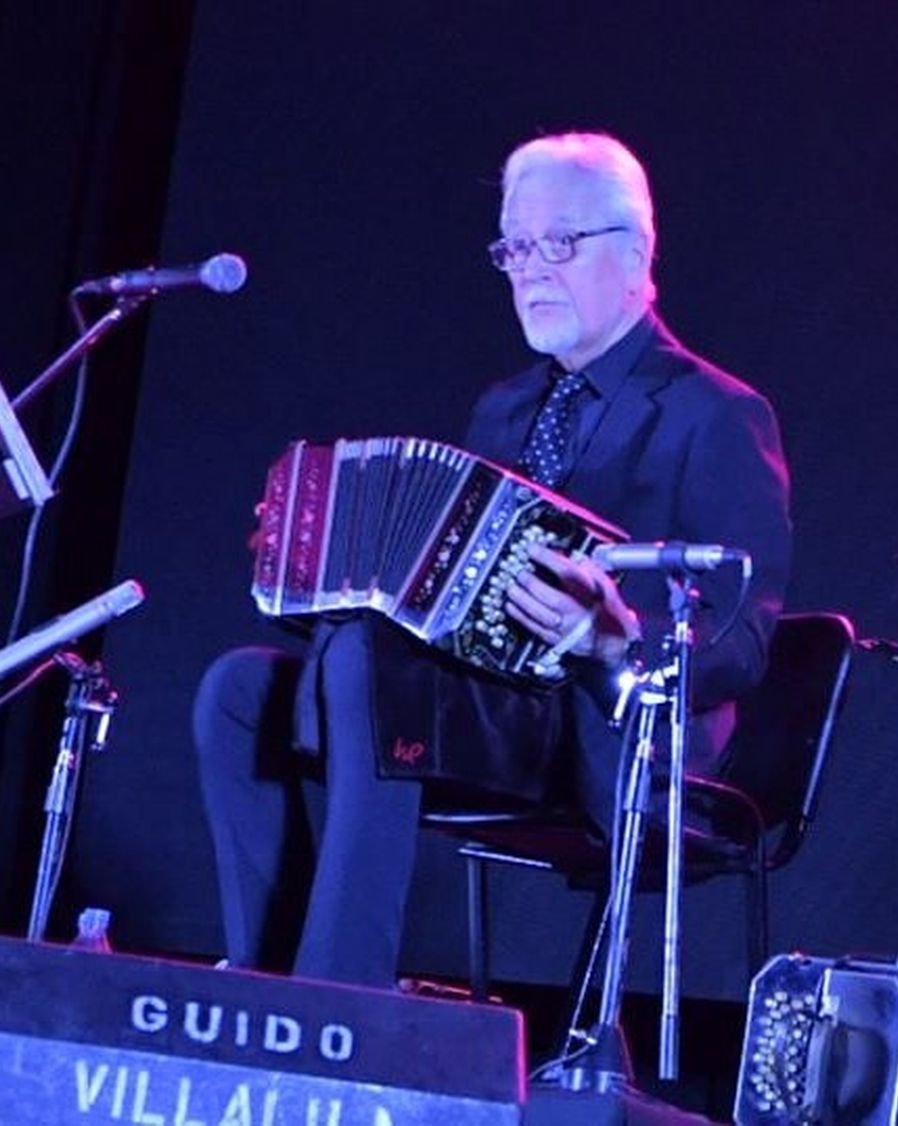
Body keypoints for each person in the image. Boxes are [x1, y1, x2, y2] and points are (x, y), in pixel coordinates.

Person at [193, 131, 791, 990]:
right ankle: (266, 985)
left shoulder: (717, 414)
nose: (529, 270)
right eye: (514, 247)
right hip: (488, 710)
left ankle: (336, 1000)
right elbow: (439, 605)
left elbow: (747, 642)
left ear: (635, 255)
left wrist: (618, 641)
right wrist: (306, 565)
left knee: (373, 665)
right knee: (241, 691)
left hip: (615, 730)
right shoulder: (505, 409)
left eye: (557, 243)